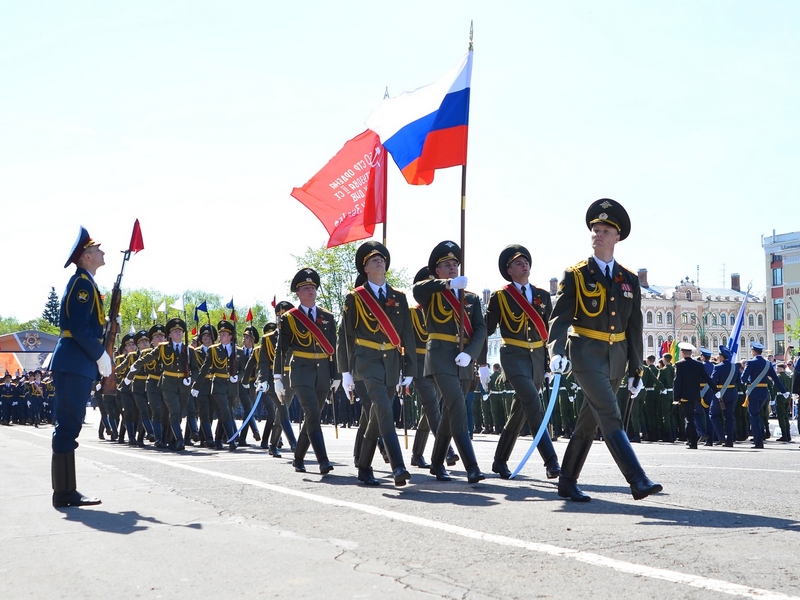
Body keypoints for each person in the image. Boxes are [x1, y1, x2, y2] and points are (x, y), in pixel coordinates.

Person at [548, 199, 661, 502]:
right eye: (595, 230)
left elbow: (634, 326)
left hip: (617, 358)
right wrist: (555, 351)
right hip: (585, 353)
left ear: (617, 236)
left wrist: (637, 369)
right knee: (610, 413)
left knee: (589, 420)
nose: (598, 234)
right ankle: (637, 479)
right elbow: (559, 318)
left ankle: (567, 480)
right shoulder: (576, 274)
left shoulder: (628, 278)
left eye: (605, 230)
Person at [338, 241, 416, 486]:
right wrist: (345, 372)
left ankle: (363, 466)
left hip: (391, 363)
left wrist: (410, 369)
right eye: (373, 260)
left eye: (382, 258)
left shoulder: (399, 297)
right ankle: (398, 467)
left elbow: (407, 335)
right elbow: (345, 336)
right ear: (366, 269)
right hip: (366, 362)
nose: (379, 261)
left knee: (375, 416)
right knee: (383, 409)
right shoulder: (356, 298)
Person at [481, 244, 560, 481]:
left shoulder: (542, 296)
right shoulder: (500, 297)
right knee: (534, 404)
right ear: (509, 270)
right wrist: (481, 363)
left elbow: (547, 333)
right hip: (513, 357)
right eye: (518, 262)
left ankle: (499, 461)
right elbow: (485, 330)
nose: (524, 264)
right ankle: (552, 461)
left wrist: (547, 365)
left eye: (525, 261)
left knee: (520, 411)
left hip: (536, 359)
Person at [412, 240, 487, 483]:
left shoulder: (472, 298)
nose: (453, 267)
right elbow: (418, 288)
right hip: (440, 357)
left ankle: (436, 463)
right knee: (457, 408)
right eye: (447, 264)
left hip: (464, 360)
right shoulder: (431, 294)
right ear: (437, 270)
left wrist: (472, 354)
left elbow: (480, 329)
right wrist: (447, 285)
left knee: (448, 413)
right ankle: (471, 467)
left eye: (455, 263)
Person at [50, 227, 109, 507]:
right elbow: (78, 327)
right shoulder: (82, 284)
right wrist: (100, 354)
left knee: (69, 425)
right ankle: (64, 492)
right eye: (97, 249)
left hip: (75, 362)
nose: (102, 252)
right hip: (74, 361)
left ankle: (65, 491)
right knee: (68, 426)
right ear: (86, 257)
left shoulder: (86, 282)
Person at [274, 268, 338, 474]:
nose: (310, 291)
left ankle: (299, 457)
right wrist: (277, 378)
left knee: (313, 416)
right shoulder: (289, 318)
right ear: (298, 293)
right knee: (312, 413)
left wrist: (336, 374)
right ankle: (323, 460)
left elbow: (333, 347)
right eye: (305, 288)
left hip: (322, 374)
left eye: (313, 287)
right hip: (301, 372)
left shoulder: (327, 317)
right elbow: (281, 350)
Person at [742, 342, 788, 448]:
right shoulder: (768, 364)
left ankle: (758, 442)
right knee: (758, 416)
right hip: (764, 393)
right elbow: (775, 379)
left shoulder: (750, 362)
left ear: (753, 351)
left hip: (753, 393)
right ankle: (760, 438)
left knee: (754, 417)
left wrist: (749, 380)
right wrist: (784, 391)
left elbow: (743, 379)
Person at [673, 343, 716, 449]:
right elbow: (707, 378)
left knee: (689, 419)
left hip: (684, 396)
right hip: (696, 395)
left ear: (682, 353)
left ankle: (693, 442)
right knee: (691, 418)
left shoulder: (679, 365)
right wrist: (715, 390)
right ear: (691, 353)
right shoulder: (698, 364)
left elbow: (677, 382)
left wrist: (675, 398)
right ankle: (691, 441)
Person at [710, 344, 740, 447]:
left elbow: (712, 382)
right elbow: (738, 381)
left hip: (720, 394)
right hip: (732, 394)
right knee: (729, 417)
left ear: (721, 356)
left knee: (713, 415)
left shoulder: (717, 367)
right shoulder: (735, 367)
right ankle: (730, 440)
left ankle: (721, 437)